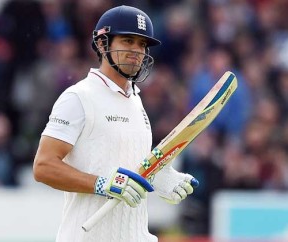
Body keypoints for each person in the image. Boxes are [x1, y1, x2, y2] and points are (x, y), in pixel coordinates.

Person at [33, 5, 198, 242]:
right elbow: (43, 166)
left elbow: (126, 165)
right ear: (102, 43)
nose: (137, 51)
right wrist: (101, 184)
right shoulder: (79, 97)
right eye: (128, 41)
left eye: (142, 45)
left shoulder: (136, 101)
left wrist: (157, 177)